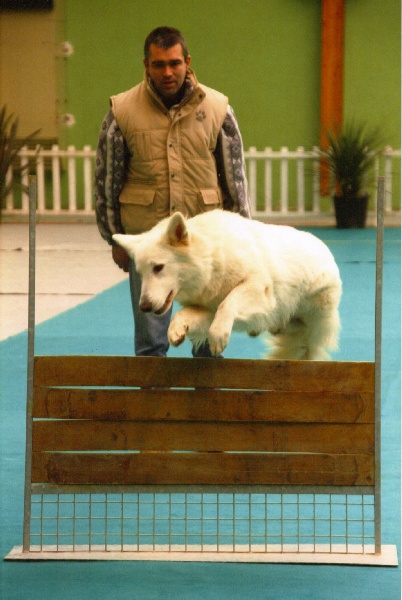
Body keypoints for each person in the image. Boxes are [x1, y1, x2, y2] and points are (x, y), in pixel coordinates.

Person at [94, 26, 251, 357]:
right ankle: (152, 400)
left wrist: (245, 235)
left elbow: (235, 181)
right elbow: (107, 181)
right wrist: (114, 238)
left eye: (175, 63)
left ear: (187, 61)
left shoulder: (219, 109)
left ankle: (204, 402)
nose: (168, 72)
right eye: (159, 64)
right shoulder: (121, 112)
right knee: (151, 343)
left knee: (207, 338)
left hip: (206, 247)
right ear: (146, 65)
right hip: (146, 242)